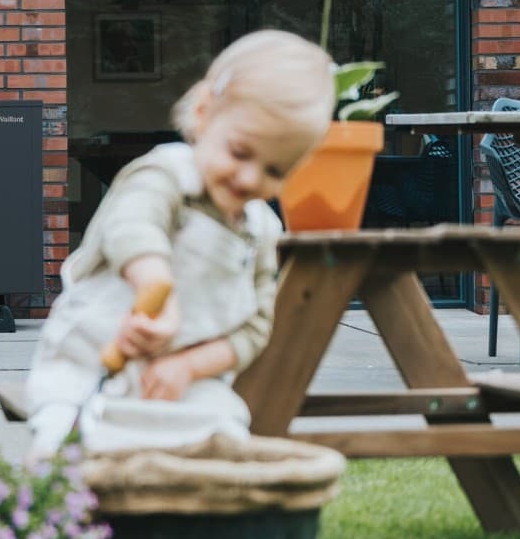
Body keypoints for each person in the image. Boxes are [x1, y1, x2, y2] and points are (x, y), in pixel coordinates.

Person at [27, 30, 334, 457]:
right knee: (68, 449)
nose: (250, 178)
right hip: (92, 364)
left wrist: (188, 365)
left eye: (275, 171)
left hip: (182, 383)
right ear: (205, 114)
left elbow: (255, 328)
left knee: (224, 439)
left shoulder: (261, 229)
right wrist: (157, 293)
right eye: (240, 152)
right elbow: (133, 229)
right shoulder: (165, 175)